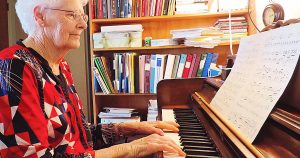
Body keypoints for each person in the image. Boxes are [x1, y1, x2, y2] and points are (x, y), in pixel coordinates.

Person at [0, 0, 185, 157]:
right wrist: (130, 148)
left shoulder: (60, 65)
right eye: (72, 15)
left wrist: (131, 128)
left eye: (83, 16)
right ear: (40, 16)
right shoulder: (13, 67)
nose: (83, 25)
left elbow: (78, 136)